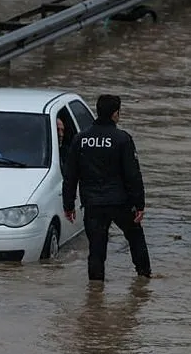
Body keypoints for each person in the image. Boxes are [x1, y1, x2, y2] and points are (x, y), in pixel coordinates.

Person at [62, 94, 152, 281]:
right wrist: (139, 204)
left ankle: (96, 290)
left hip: (93, 203)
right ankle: (144, 278)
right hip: (120, 202)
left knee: (96, 249)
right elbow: (133, 175)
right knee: (136, 239)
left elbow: (70, 176)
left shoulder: (81, 139)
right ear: (115, 114)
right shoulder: (122, 139)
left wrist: (68, 205)